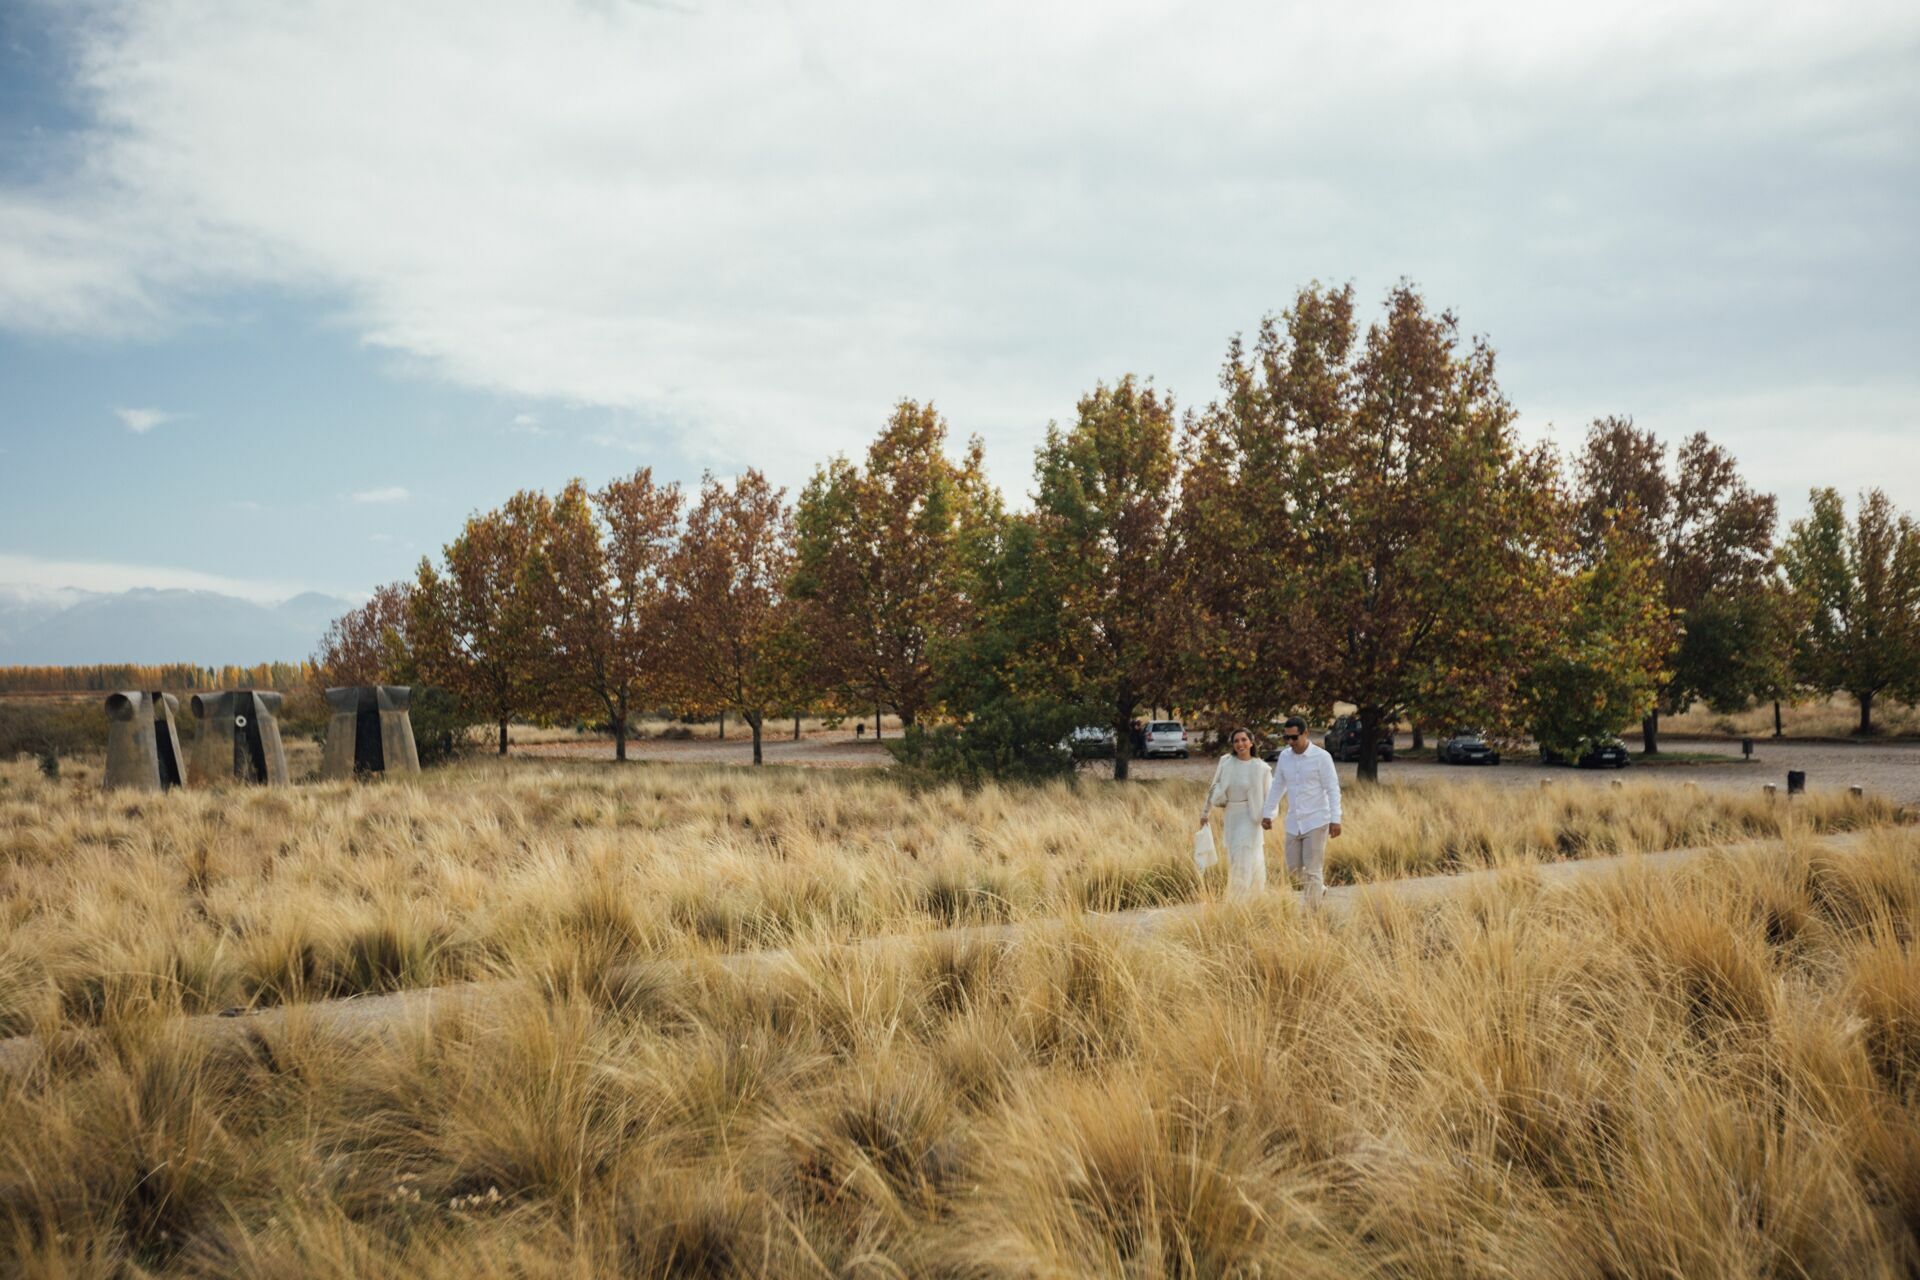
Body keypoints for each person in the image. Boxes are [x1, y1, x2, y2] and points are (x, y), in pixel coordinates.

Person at [1261, 716, 1343, 908]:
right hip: (1294, 822)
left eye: (1294, 737)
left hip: (1317, 820)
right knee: (1294, 869)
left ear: (1306, 733)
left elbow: (1332, 789)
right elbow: (1278, 785)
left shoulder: (1322, 757)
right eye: (1286, 738)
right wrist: (1268, 812)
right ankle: (1318, 888)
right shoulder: (1285, 757)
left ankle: (1313, 912)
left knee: (1313, 869)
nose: (1290, 742)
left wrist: (1336, 819)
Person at [1196, 727, 1273, 896]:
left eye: (1244, 740)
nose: (1240, 744)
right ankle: (1249, 898)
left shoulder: (1261, 768)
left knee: (1242, 855)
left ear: (1251, 742)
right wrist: (1205, 813)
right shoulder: (1226, 762)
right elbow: (1214, 787)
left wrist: (1269, 817)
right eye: (1236, 741)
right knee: (1235, 857)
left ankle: (1240, 898)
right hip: (1231, 815)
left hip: (1250, 817)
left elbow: (1270, 796)